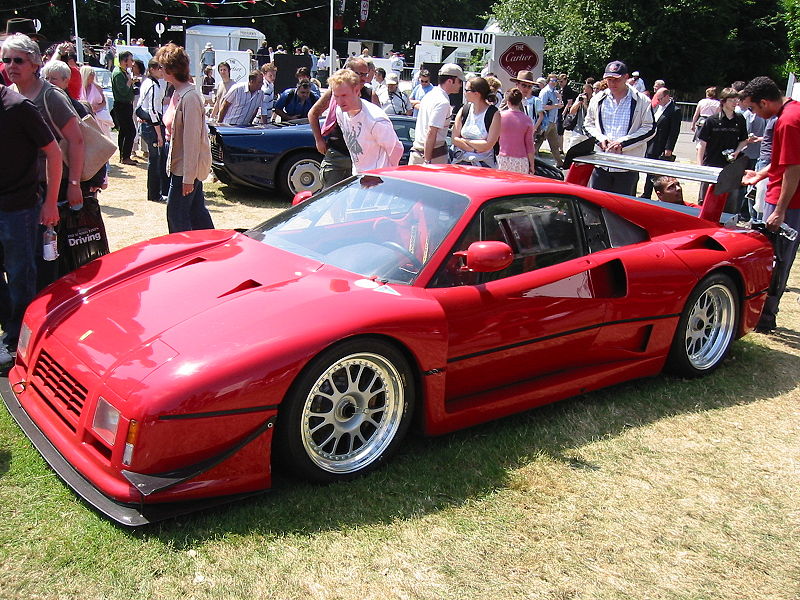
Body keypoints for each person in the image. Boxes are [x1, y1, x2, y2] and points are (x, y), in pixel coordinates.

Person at [0, 82, 62, 369]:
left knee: (20, 273)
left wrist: (51, 201)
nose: (12, 65)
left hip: (19, 209)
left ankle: (16, 339)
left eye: (18, 60)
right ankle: (9, 329)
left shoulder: (18, 106)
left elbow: (54, 151)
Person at [740, 76, 800, 332]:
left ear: (764, 102)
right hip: (782, 197)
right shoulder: (792, 110)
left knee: (777, 259)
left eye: (754, 109)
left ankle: (766, 317)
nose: (756, 115)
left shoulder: (788, 122)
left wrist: (780, 210)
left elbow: (793, 169)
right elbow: (783, 160)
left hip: (789, 204)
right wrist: (761, 175)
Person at [5, 34, 84, 214]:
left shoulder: (51, 96)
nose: (11, 65)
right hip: (19, 188)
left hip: (50, 187)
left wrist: (74, 184)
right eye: (6, 60)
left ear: (34, 64)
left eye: (18, 60)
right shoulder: (9, 94)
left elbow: (76, 140)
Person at [155, 43, 213, 233]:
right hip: (179, 165)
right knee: (197, 214)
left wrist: (188, 177)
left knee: (176, 216)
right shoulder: (177, 93)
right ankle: (213, 248)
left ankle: (185, 253)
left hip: (186, 170)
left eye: (162, 67)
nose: (159, 70)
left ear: (171, 69)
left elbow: (192, 141)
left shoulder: (190, 97)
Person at [583, 60, 655, 195]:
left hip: (626, 167)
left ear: (626, 78)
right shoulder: (598, 99)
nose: (612, 83)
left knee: (623, 210)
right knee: (597, 208)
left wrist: (623, 143)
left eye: (616, 79)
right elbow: (588, 124)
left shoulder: (642, 101)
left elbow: (650, 128)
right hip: (601, 164)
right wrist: (600, 140)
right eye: (609, 79)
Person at [308, 57, 375, 188]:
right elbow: (313, 113)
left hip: (361, 157)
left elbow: (376, 124)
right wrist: (319, 140)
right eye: (359, 74)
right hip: (337, 153)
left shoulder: (370, 94)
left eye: (365, 74)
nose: (363, 78)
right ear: (349, 72)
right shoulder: (335, 92)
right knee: (329, 198)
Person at [327, 69, 403, 175]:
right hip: (358, 176)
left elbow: (397, 149)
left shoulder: (376, 119)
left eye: (344, 95)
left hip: (378, 179)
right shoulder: (340, 112)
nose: (339, 101)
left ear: (357, 91)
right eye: (336, 96)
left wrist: (385, 175)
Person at [696, 87, 748, 203]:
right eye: (732, 100)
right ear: (723, 101)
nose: (735, 102)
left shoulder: (740, 119)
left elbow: (744, 140)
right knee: (705, 200)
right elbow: (702, 143)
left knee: (728, 201)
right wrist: (700, 166)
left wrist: (737, 152)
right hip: (711, 164)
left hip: (730, 166)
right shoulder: (711, 120)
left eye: (736, 99)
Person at [409, 63, 464, 165]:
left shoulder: (431, 94)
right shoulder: (442, 102)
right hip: (433, 156)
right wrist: (427, 161)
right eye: (459, 81)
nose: (460, 85)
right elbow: (431, 132)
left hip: (419, 153)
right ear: (450, 81)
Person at [451, 76, 501, 168]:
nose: (464, 93)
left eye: (467, 90)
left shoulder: (494, 114)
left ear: (476, 93)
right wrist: (473, 148)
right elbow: (454, 139)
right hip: (460, 163)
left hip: (484, 166)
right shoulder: (464, 110)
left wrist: (464, 141)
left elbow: (488, 145)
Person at [642, 87, 682, 199]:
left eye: (660, 99)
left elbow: (674, 131)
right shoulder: (656, 108)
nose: (658, 101)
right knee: (649, 171)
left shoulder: (674, 110)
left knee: (658, 174)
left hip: (662, 145)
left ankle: (655, 194)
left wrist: (669, 149)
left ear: (666, 96)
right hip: (652, 144)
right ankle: (647, 193)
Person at [138, 59, 168, 203]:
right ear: (152, 69)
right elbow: (152, 110)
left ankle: (157, 192)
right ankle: (155, 194)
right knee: (155, 160)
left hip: (149, 124)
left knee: (156, 159)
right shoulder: (152, 86)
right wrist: (158, 133)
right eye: (159, 68)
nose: (162, 71)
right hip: (152, 126)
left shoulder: (148, 83)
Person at [496, 87, 535, 174]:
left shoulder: (500, 117)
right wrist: (532, 164)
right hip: (521, 159)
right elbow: (529, 144)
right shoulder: (527, 120)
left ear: (508, 102)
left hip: (502, 158)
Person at [112, 50, 137, 164]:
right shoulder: (118, 73)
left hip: (126, 105)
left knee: (124, 131)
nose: (132, 62)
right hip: (122, 105)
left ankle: (124, 156)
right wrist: (129, 82)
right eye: (130, 60)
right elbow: (122, 91)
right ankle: (125, 156)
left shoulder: (124, 71)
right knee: (129, 131)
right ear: (124, 61)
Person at [535, 73, 565, 167]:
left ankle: (560, 163)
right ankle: (532, 160)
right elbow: (541, 106)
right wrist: (555, 106)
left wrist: (560, 100)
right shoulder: (545, 92)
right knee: (539, 141)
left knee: (554, 144)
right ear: (548, 81)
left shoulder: (554, 92)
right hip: (545, 121)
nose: (555, 83)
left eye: (556, 81)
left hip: (553, 121)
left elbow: (557, 106)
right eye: (553, 81)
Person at [508, 70, 544, 141]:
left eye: (529, 86)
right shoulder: (510, 98)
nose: (526, 89)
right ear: (517, 85)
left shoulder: (524, 100)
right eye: (524, 85)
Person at [79, 64, 113, 136]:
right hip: (85, 118)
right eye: (91, 74)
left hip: (99, 117)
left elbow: (104, 102)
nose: (93, 76)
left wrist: (98, 107)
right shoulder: (79, 89)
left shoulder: (97, 87)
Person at [564, 79, 593, 150]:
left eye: (587, 91)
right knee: (571, 151)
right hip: (578, 130)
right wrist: (579, 102)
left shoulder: (594, 99)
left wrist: (586, 102)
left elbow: (589, 113)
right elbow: (572, 112)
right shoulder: (580, 98)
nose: (585, 93)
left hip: (589, 133)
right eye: (584, 90)